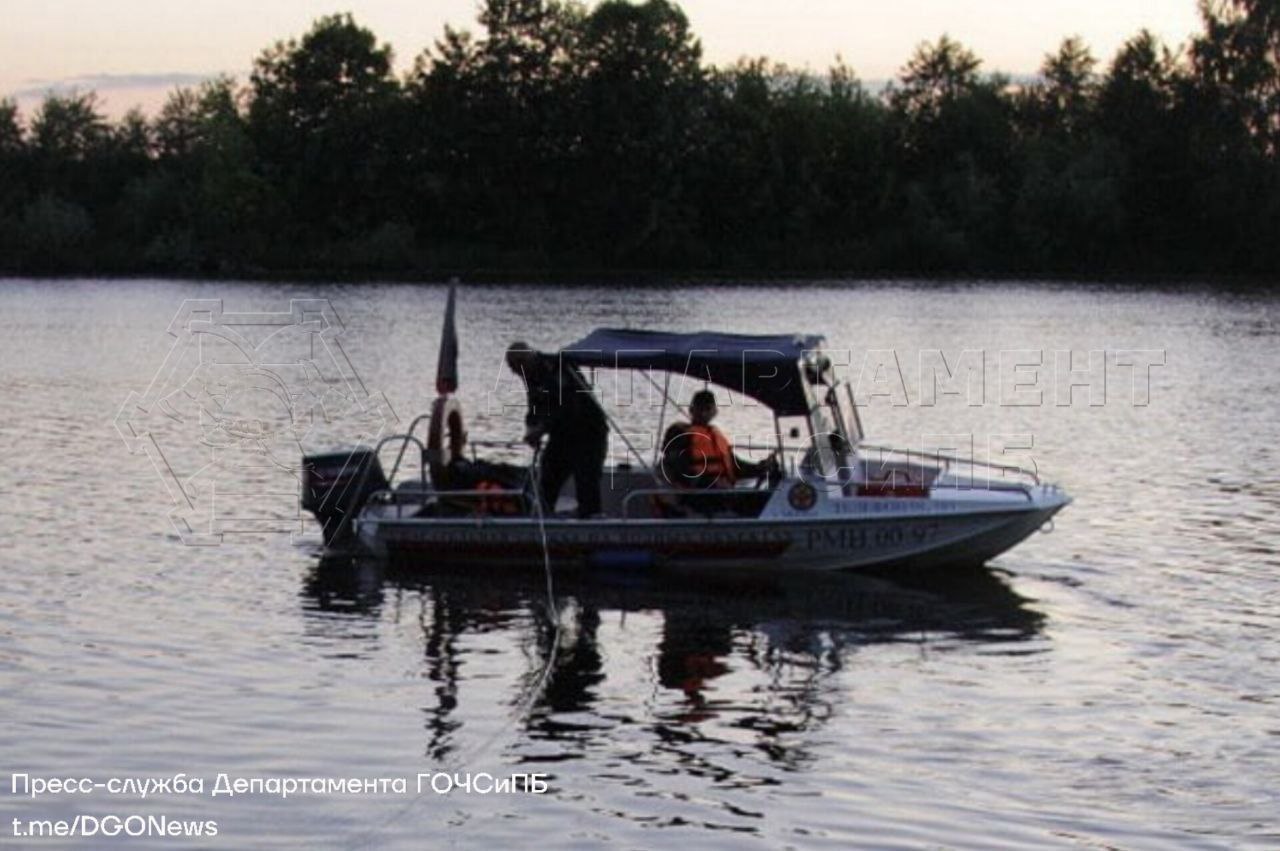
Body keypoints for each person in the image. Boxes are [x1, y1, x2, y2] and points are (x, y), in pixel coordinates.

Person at [505, 341, 608, 518]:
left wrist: (542, 428)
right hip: (562, 435)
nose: (516, 374)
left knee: (586, 480)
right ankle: (543, 518)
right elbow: (535, 405)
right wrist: (531, 427)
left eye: (515, 368)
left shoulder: (558, 367)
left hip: (589, 432)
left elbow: (568, 407)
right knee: (547, 478)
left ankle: (591, 520)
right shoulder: (530, 375)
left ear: (524, 361)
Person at [675, 389, 774, 489]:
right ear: (691, 410)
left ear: (714, 412)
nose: (704, 413)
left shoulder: (716, 435)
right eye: (700, 408)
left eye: (708, 409)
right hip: (700, 494)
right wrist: (710, 483)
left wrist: (760, 467)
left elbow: (735, 465)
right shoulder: (681, 435)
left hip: (724, 491)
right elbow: (678, 471)